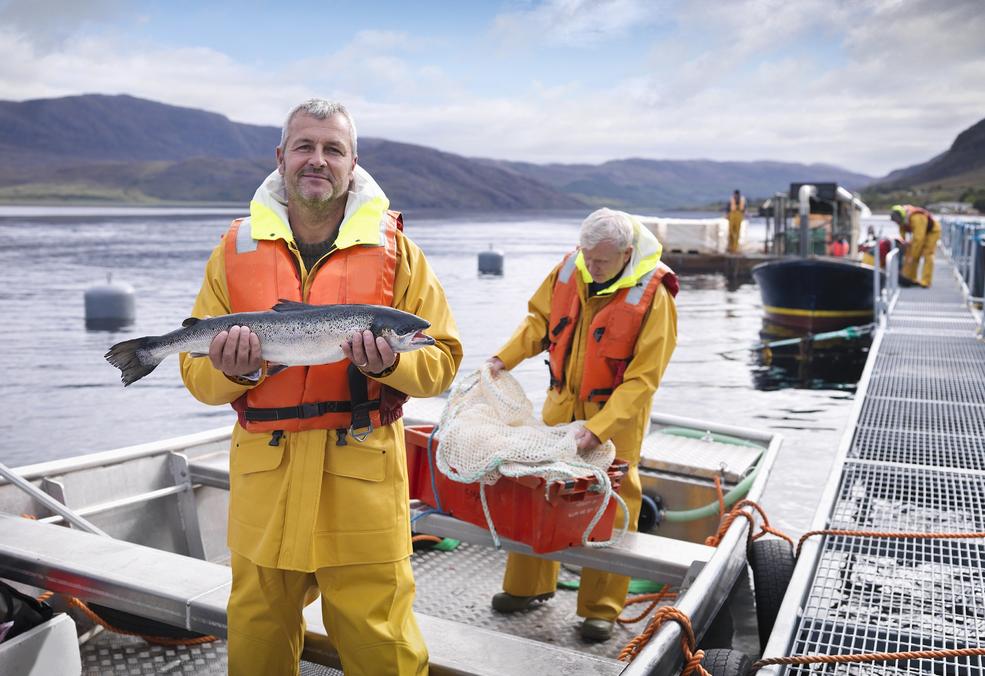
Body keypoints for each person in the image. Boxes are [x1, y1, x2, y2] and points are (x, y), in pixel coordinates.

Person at [180, 98, 462, 675]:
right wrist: (232, 370)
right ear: (281, 157)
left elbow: (441, 362)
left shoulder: (400, 254)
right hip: (266, 486)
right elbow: (198, 379)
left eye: (333, 148)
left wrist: (388, 367)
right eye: (304, 146)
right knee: (256, 643)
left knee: (383, 648)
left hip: (362, 485)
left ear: (352, 162)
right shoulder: (231, 252)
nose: (318, 159)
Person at [485, 208, 678, 641]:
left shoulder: (655, 295)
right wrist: (502, 359)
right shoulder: (571, 268)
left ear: (627, 254)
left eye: (602, 261)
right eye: (588, 257)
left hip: (616, 419)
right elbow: (538, 322)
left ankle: (600, 609)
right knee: (538, 489)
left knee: (610, 504)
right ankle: (527, 587)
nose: (592, 267)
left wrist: (599, 428)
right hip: (559, 407)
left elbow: (644, 378)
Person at [889, 204, 940, 287]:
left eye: (897, 221)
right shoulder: (902, 221)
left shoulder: (916, 217)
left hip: (932, 232)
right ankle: (911, 279)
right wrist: (904, 247)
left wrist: (913, 255)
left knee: (927, 254)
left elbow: (918, 238)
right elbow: (903, 237)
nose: (897, 223)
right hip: (919, 234)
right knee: (910, 252)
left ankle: (926, 281)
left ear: (900, 217)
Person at [726, 189, 746, 253]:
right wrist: (727, 215)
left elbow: (744, 209)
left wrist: (744, 215)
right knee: (731, 231)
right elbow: (728, 208)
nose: (736, 196)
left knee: (737, 232)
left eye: (737, 194)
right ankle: (730, 247)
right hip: (732, 215)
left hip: (739, 215)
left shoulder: (742, 200)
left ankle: (735, 248)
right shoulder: (731, 200)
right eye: (735, 194)